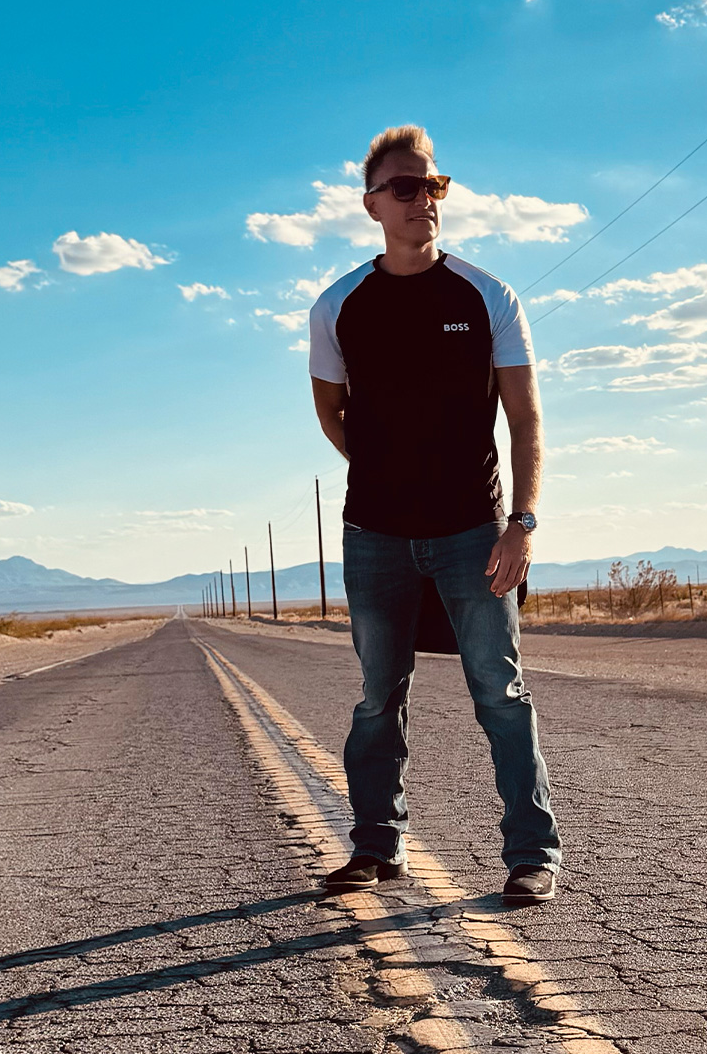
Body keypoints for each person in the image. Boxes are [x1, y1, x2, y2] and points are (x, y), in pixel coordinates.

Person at [308, 124, 561, 905]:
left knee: (500, 692)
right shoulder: (338, 306)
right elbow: (332, 415)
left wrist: (520, 523)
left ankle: (532, 854)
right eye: (408, 188)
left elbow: (525, 420)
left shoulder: (486, 295)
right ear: (373, 205)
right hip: (374, 535)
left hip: (472, 536)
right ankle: (378, 847)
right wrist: (388, 473)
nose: (426, 199)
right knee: (378, 696)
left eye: (434, 185)